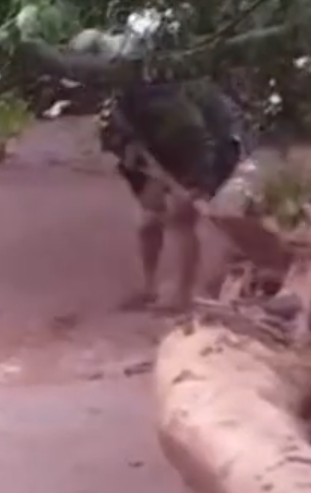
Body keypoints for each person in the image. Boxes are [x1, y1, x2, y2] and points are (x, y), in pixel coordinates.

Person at [72, 30, 247, 311]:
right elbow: (125, 139)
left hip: (215, 141)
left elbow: (198, 136)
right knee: (148, 220)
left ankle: (183, 295)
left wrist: (197, 183)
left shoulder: (157, 89)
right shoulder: (117, 93)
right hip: (164, 147)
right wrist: (137, 162)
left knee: (181, 216)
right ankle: (149, 287)